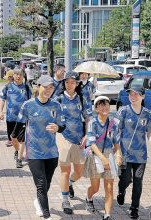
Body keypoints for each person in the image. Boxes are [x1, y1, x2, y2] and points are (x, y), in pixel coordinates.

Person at [13, 75, 65, 219]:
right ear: (38, 87)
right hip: (34, 152)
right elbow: (19, 124)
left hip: (52, 153)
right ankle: (47, 215)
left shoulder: (56, 105)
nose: (48, 90)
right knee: (41, 184)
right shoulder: (28, 105)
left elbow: (62, 125)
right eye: (45, 87)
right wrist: (14, 140)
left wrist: (57, 128)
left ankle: (38, 202)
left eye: (51, 87)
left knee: (46, 184)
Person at [115, 87, 151, 219]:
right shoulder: (123, 111)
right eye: (131, 94)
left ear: (143, 96)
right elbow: (116, 132)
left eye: (136, 94)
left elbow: (149, 132)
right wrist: (118, 152)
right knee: (125, 179)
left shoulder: (147, 114)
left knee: (138, 181)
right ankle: (121, 191)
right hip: (125, 154)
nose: (133, 96)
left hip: (141, 156)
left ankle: (134, 208)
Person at [56, 71, 92, 215]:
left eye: (73, 82)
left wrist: (87, 135)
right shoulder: (58, 99)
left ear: (77, 84)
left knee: (79, 171)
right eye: (67, 82)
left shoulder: (82, 98)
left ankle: (70, 183)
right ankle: (65, 200)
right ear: (63, 83)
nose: (69, 85)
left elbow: (89, 119)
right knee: (65, 170)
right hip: (63, 137)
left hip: (79, 139)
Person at [83, 96, 122, 219]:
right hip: (95, 155)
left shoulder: (114, 123)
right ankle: (89, 198)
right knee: (95, 187)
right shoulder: (92, 123)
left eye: (106, 104)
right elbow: (92, 144)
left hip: (109, 154)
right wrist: (102, 158)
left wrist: (118, 154)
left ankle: (107, 215)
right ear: (96, 109)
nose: (104, 107)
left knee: (109, 187)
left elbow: (116, 141)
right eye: (101, 105)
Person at [0, 68, 32, 168]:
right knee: (13, 138)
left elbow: (31, 102)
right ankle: (16, 151)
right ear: (13, 76)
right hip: (10, 117)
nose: (18, 76)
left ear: (23, 76)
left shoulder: (26, 87)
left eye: (20, 74)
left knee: (21, 140)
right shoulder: (8, 86)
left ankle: (19, 159)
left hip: (22, 118)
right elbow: (2, 99)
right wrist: (1, 111)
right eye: (16, 74)